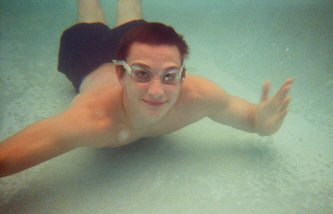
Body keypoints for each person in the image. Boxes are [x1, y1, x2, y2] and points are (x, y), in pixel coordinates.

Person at [0, 0, 293, 177]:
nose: (157, 92)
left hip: (134, 44)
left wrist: (261, 124)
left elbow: (250, 117)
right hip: (86, 55)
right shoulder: (93, 119)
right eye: (141, 74)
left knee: (131, 8)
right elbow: (6, 159)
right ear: (120, 72)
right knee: (89, 10)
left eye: (169, 76)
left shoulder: (198, 94)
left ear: (182, 75)